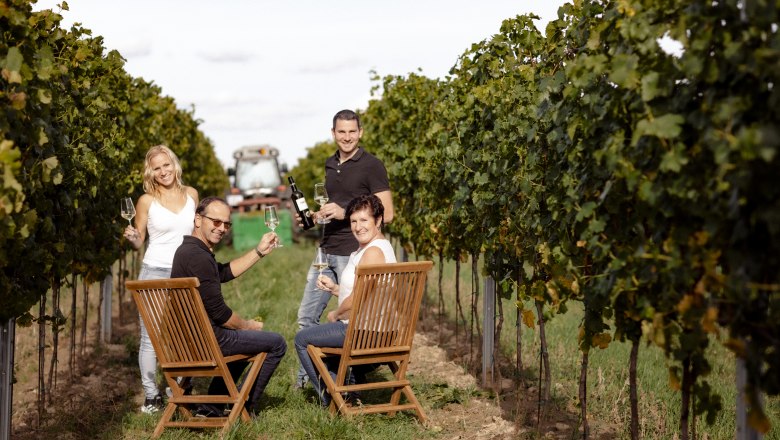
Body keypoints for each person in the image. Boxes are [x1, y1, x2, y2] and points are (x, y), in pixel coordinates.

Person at [295, 109, 394, 388]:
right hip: (325, 250)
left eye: (352, 131)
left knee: (345, 319)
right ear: (333, 134)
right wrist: (315, 217)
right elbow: (335, 206)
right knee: (306, 317)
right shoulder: (330, 164)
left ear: (360, 133)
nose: (347, 137)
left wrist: (344, 212)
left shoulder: (372, 165)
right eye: (342, 132)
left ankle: (341, 381)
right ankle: (308, 381)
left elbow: (388, 212)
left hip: (352, 254)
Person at [170, 196, 287, 416]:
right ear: (198, 220)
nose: (222, 228)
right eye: (216, 222)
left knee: (243, 342)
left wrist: (259, 252)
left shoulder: (188, 251)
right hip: (206, 341)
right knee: (277, 343)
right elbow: (220, 313)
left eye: (226, 224)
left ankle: (211, 407)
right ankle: (243, 406)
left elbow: (221, 272)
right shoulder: (199, 257)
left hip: (187, 339)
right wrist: (247, 326)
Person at [294, 194, 396, 406]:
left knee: (302, 339)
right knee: (323, 338)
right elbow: (368, 294)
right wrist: (335, 289)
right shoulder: (371, 248)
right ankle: (347, 393)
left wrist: (336, 314)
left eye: (364, 220)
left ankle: (334, 399)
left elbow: (358, 298)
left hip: (367, 333)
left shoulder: (373, 253)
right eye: (353, 221)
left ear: (378, 221)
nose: (358, 227)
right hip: (376, 330)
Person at [123, 145, 199, 414]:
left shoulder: (191, 195)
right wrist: (133, 238)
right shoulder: (147, 200)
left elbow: (197, 235)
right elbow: (139, 240)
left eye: (166, 165)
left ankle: (177, 387)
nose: (163, 171)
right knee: (151, 338)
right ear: (151, 172)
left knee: (188, 333)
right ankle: (151, 395)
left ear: (174, 165)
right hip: (154, 271)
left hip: (185, 273)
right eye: (157, 168)